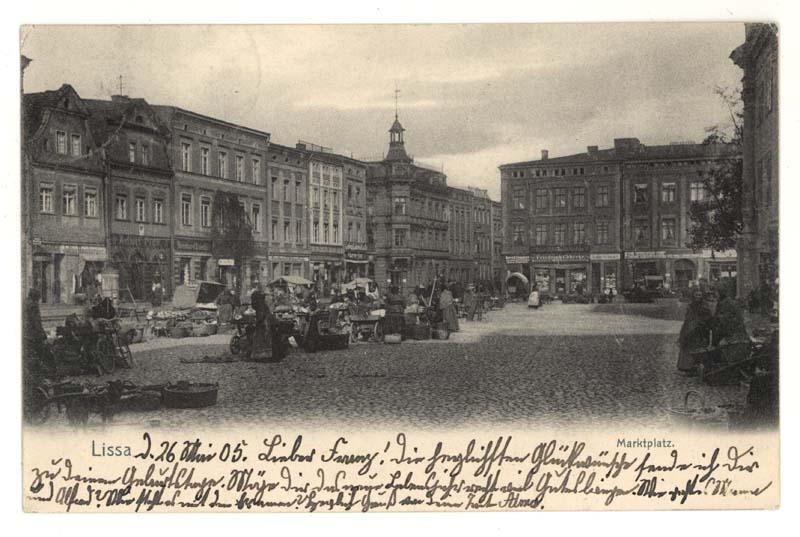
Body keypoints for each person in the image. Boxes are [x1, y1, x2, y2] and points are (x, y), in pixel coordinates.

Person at [676, 284, 714, 372]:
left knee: (698, 348)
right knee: (687, 345)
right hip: (689, 328)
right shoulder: (690, 305)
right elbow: (688, 317)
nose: (698, 297)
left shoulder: (705, 306)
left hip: (700, 330)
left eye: (700, 295)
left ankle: (696, 366)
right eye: (696, 295)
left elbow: (708, 317)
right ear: (693, 295)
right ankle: (686, 366)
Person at [249, 285, 273, 361]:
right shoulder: (262, 303)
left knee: (260, 338)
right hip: (265, 322)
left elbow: (261, 315)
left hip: (263, 323)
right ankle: (264, 355)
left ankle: (262, 355)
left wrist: (257, 321)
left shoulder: (260, 305)